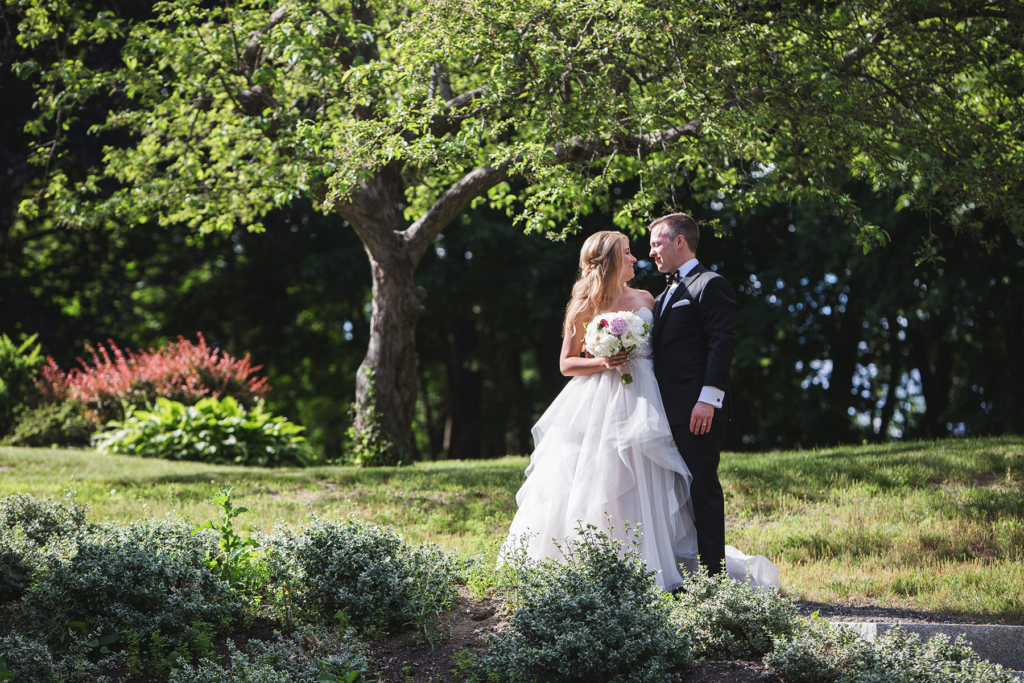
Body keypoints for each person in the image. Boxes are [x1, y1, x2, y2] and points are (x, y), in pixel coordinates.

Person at [501, 230, 699, 591]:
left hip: (644, 396)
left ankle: (649, 562)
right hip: (597, 400)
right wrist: (604, 362)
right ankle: (593, 560)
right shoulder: (583, 305)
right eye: (626, 252)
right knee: (602, 475)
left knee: (645, 472)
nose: (634, 258)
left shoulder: (646, 298)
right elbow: (566, 364)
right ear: (608, 261)